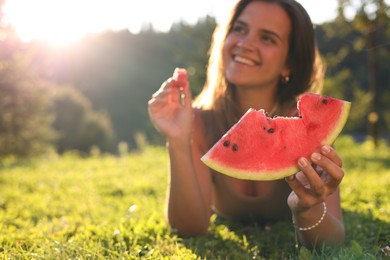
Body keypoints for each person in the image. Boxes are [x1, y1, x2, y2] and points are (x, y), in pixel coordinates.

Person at [148, 0, 345, 249]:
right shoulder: (199, 121)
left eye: (267, 38)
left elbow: (333, 243)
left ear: (289, 64)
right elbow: (190, 228)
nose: (245, 43)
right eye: (239, 29)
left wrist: (309, 208)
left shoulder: (308, 126)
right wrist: (177, 141)